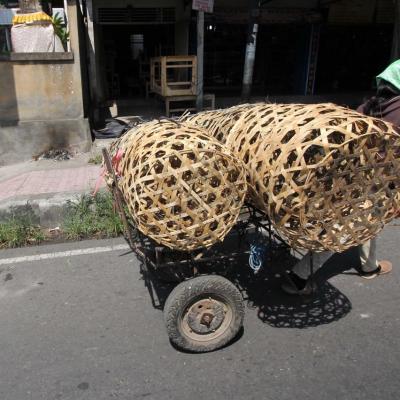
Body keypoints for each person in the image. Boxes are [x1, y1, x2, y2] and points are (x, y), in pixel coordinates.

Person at [282, 60, 400, 295]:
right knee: (344, 227)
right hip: (378, 180)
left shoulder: (371, 105)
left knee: (370, 218)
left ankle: (369, 266)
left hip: (352, 174)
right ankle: (297, 279)